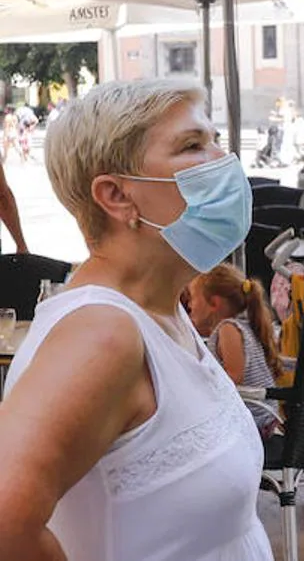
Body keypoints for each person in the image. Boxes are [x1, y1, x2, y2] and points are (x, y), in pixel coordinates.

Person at [0, 78, 272, 561]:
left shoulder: (164, 310)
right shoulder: (101, 334)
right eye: (192, 146)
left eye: (216, 141)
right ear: (116, 195)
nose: (224, 162)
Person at [184, 264, 283, 438]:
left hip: (251, 418)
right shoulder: (243, 325)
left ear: (214, 303)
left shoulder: (227, 329)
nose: (190, 305)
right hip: (263, 415)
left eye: (192, 298)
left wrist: (199, 383)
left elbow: (234, 376)